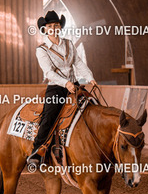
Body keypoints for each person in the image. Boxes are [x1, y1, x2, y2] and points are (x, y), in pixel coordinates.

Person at [26, 10, 98, 167]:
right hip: (56, 87)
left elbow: (78, 63)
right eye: (50, 26)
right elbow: (48, 73)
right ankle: (37, 150)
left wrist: (90, 77)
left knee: (93, 104)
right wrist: (66, 83)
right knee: (49, 116)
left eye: (56, 25)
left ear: (60, 27)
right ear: (45, 29)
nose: (53, 28)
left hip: (74, 85)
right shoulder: (42, 50)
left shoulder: (69, 44)